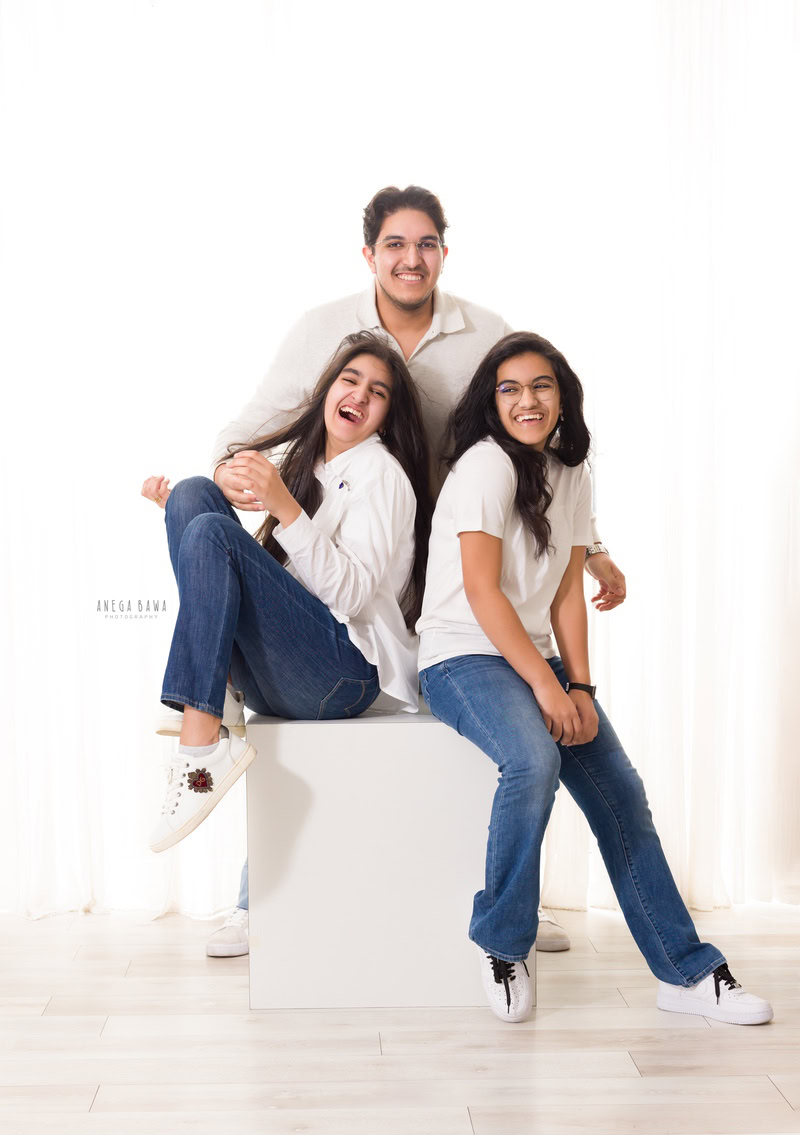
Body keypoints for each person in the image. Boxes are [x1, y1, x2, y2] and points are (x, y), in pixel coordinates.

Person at [206, 185, 620, 954]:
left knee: (493, 725)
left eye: (425, 244)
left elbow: (540, 448)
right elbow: (256, 424)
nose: (410, 259)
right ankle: (254, 896)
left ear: (443, 252)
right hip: (358, 548)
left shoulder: (483, 333)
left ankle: (517, 896)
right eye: (395, 245)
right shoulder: (323, 330)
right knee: (307, 718)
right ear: (370, 254)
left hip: (468, 559)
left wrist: (588, 545)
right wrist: (233, 470)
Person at [416, 330, 773, 1026]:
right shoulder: (485, 468)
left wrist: (581, 687)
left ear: (562, 395)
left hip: (532, 651)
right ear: (492, 403)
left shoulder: (572, 469)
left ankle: (686, 973)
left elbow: (563, 594)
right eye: (510, 388)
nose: (527, 400)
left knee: (623, 797)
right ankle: (502, 938)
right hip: (459, 654)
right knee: (531, 758)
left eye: (541, 386)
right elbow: (484, 596)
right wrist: (548, 689)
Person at [143, 332, 434, 900]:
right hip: (293, 670)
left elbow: (348, 596)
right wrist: (185, 521)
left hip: (347, 676)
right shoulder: (309, 465)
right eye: (350, 380)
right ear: (328, 390)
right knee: (193, 498)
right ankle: (217, 698)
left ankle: (200, 750)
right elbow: (272, 591)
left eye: (378, 392)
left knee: (208, 530)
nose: (359, 395)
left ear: (388, 415)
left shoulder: (384, 476)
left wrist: (283, 507)